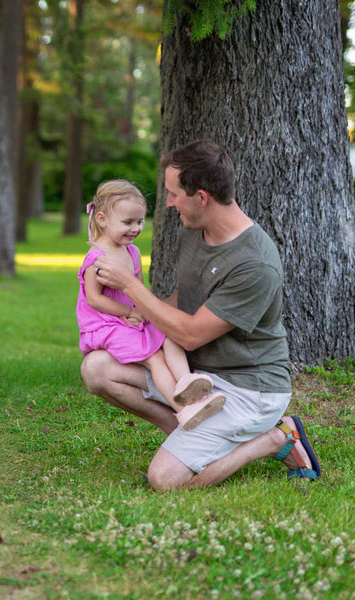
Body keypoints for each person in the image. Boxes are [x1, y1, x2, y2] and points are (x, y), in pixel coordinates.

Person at [82, 140, 321, 490]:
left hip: (248, 388)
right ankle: (191, 433)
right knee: (96, 368)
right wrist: (134, 321)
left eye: (174, 194)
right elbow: (185, 300)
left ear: (202, 197)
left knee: (165, 480)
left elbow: (192, 333)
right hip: (199, 375)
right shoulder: (195, 232)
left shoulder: (254, 263)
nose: (167, 203)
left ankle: (277, 438)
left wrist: (130, 288)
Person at [77, 180, 226, 430]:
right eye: (128, 222)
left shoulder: (132, 251)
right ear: (102, 219)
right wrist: (129, 312)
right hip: (105, 325)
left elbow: (139, 290)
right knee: (155, 358)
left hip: (131, 318)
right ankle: (184, 410)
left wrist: (144, 313)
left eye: (140, 221)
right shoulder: (96, 258)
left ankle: (187, 382)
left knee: (169, 334)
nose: (135, 228)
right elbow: (95, 300)